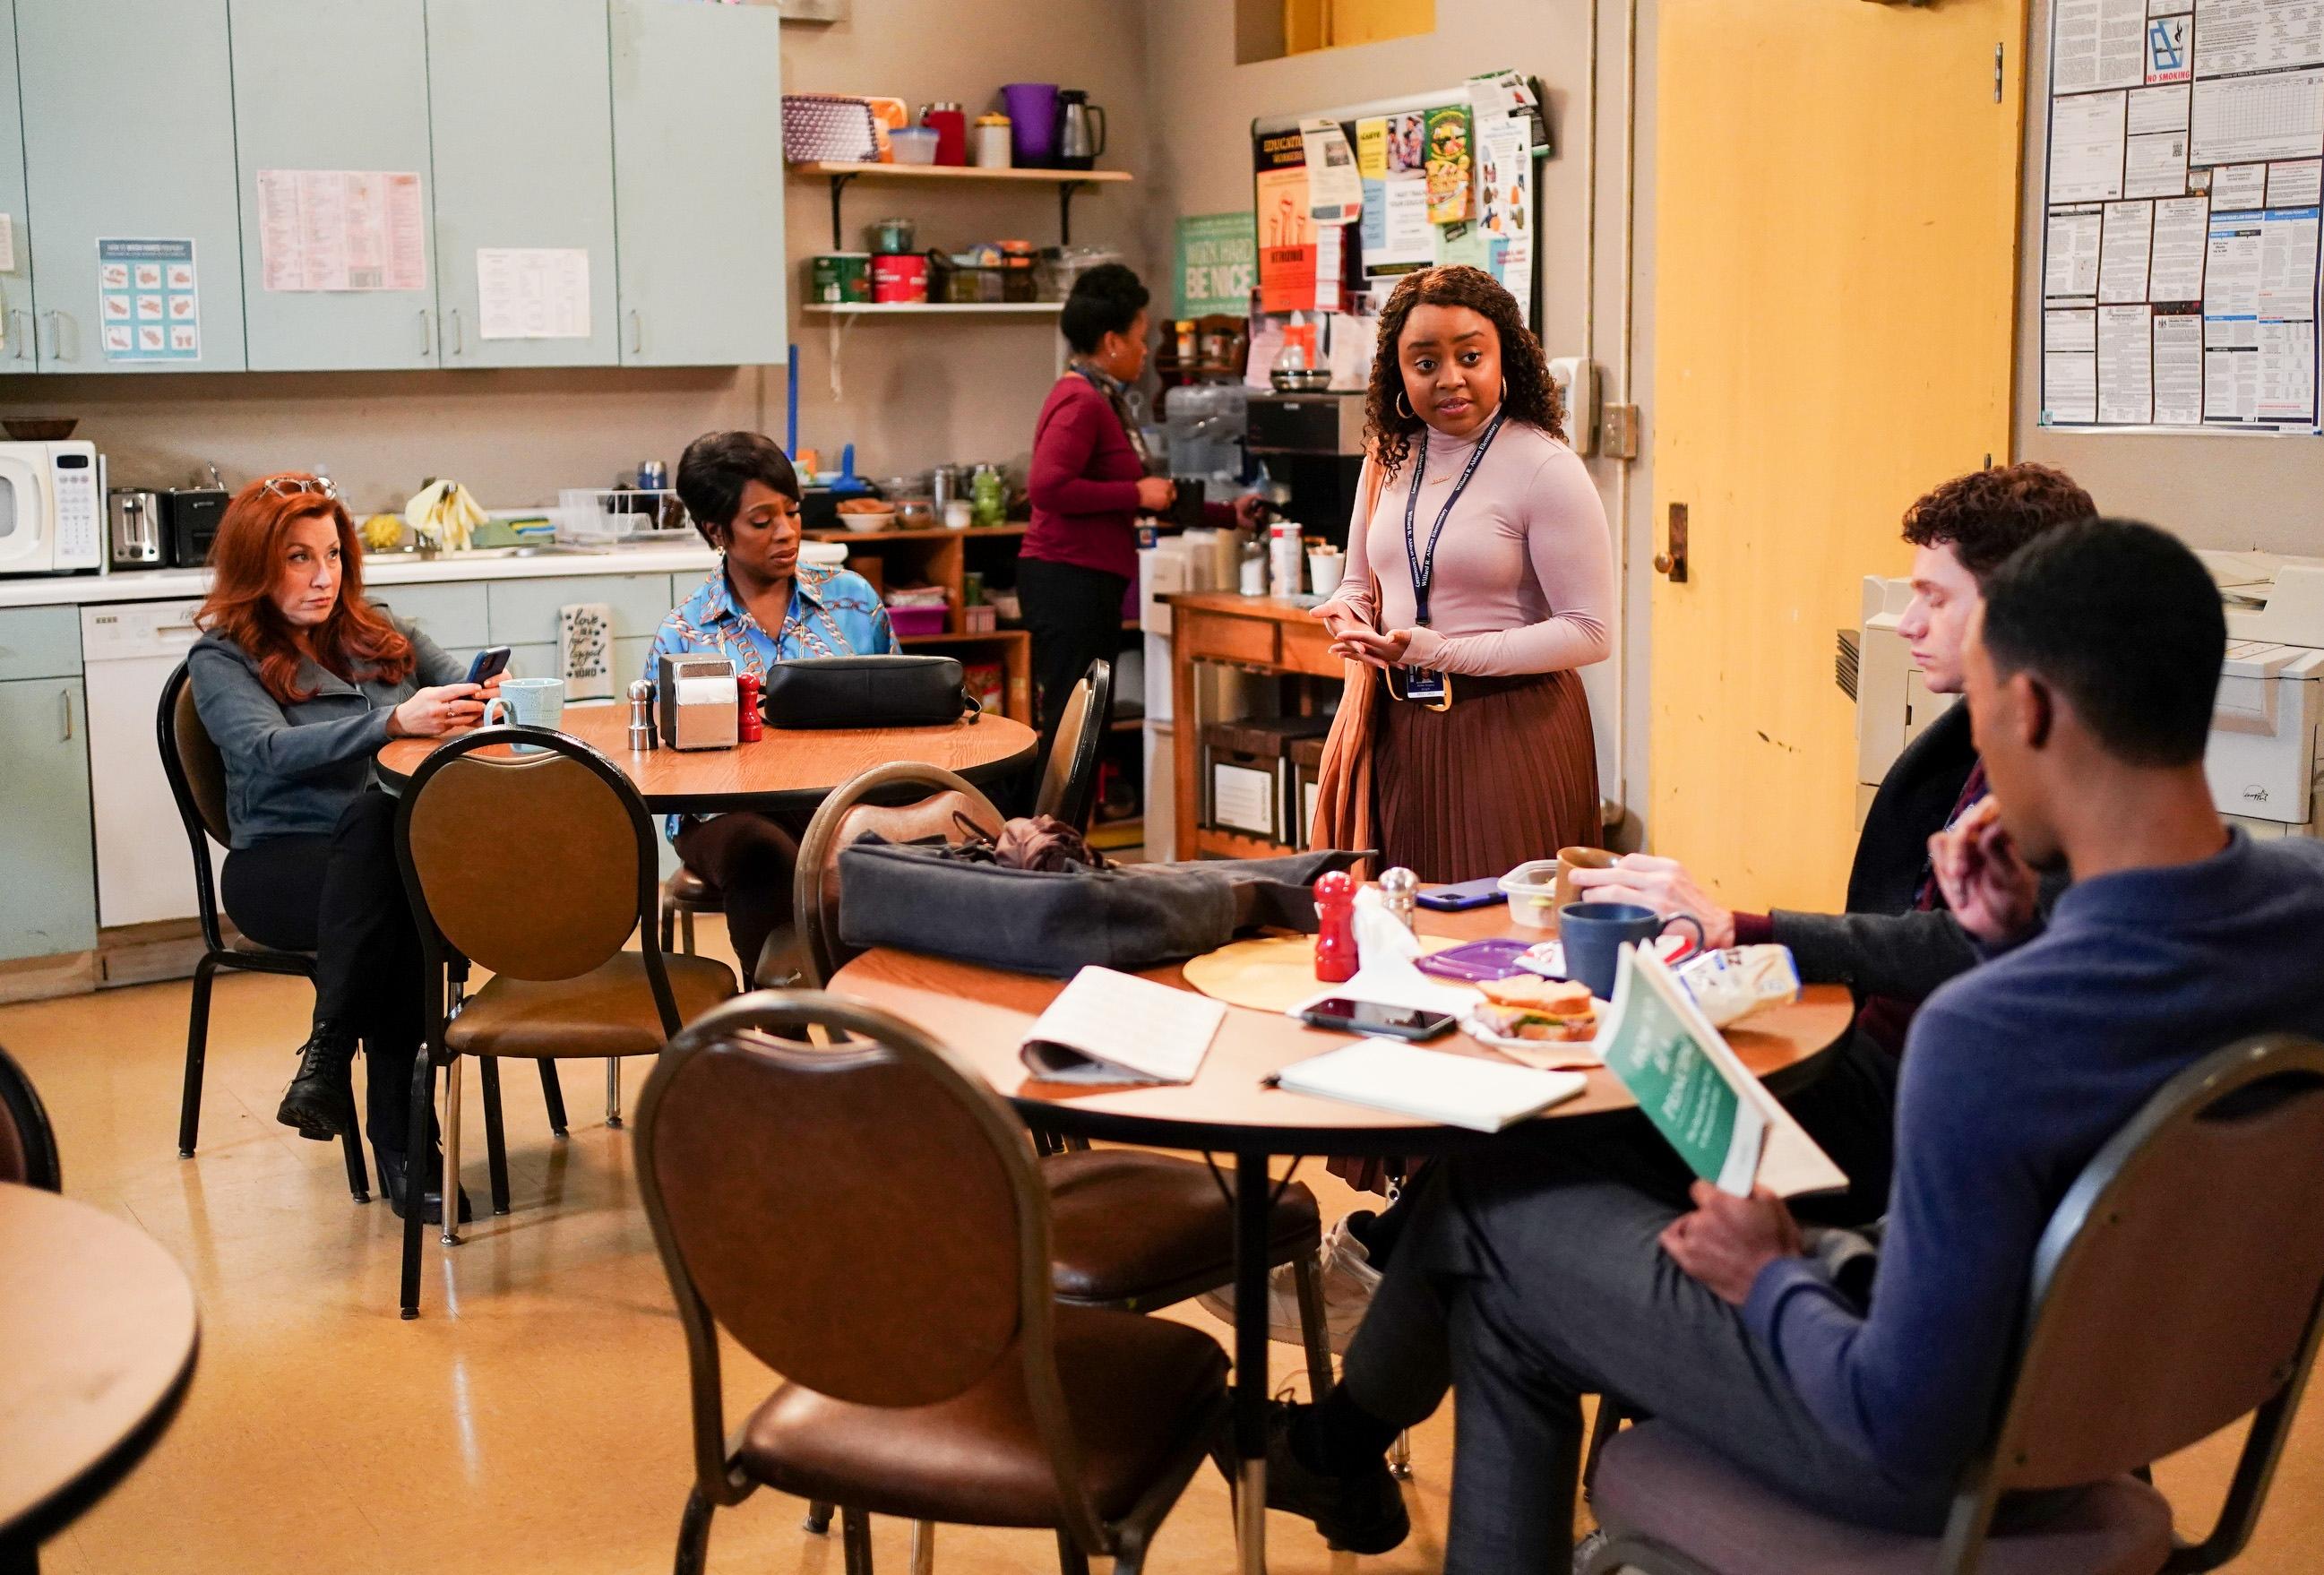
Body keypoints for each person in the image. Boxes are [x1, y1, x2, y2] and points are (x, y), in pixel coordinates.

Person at [1252, 518, 2324, 1568]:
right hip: (2132, 1384)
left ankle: (1330, 1451)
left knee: (1491, 1212)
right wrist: (2006, 938)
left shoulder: (1984, 1039)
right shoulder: (2304, 907)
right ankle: (1337, 1455)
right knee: (1501, 1284)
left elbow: (1896, 1421)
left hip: (1924, 1450)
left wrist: (1764, 1274)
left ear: (2031, 709)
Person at [1566, 460, 2096, 1223]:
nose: (1908, 624)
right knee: (1613, 1081)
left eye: (1935, 599)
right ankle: (1384, 1254)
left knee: (1594, 1116)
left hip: (1914, 1102)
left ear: (2021, 611)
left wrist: (1742, 928)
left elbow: (1956, 946)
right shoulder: (1986, 729)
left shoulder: (2060, 765)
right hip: (1882, 1051)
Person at [188, 473, 497, 1224]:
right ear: (255, 564)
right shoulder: (221, 658)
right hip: (280, 862)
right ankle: (401, 1136)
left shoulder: (381, 631)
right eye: (298, 558)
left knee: (383, 850)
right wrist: (392, 726)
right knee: (383, 853)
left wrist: (489, 696)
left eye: (332, 554)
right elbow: (267, 751)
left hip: (390, 864)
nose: (323, 576)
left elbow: (464, 686)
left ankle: (329, 1052)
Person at [1309, 263, 1614, 882]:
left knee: (1498, 939)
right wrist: (1349, 609)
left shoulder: (1543, 465)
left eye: (1471, 356)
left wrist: (1441, 650)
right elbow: (1357, 580)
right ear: (1399, 370)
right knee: (1397, 927)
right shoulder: (1388, 457)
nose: (1450, 379)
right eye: (1425, 363)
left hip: (1510, 730)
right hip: (1395, 726)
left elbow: (1590, 632)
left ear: (1505, 357)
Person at [649, 430, 893, 979]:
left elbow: (905, 713)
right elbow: (663, 768)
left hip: (838, 793)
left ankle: (881, 1020)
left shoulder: (853, 600)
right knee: (761, 853)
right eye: (762, 522)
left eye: (792, 512)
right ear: (717, 531)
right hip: (725, 811)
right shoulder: (684, 633)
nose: (786, 533)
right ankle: (786, 1038)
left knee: (871, 841)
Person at [1021, 262, 1262, 748]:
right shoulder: (1081, 401)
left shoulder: (1102, 398)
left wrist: (1225, 513)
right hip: (1069, 580)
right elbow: (1047, 487)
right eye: (1140, 336)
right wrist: (1134, 494)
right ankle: (1046, 827)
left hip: (1087, 580)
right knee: (1074, 733)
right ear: (1111, 341)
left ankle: (1056, 827)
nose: (1145, 350)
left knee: (1086, 728)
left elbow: (1149, 493)